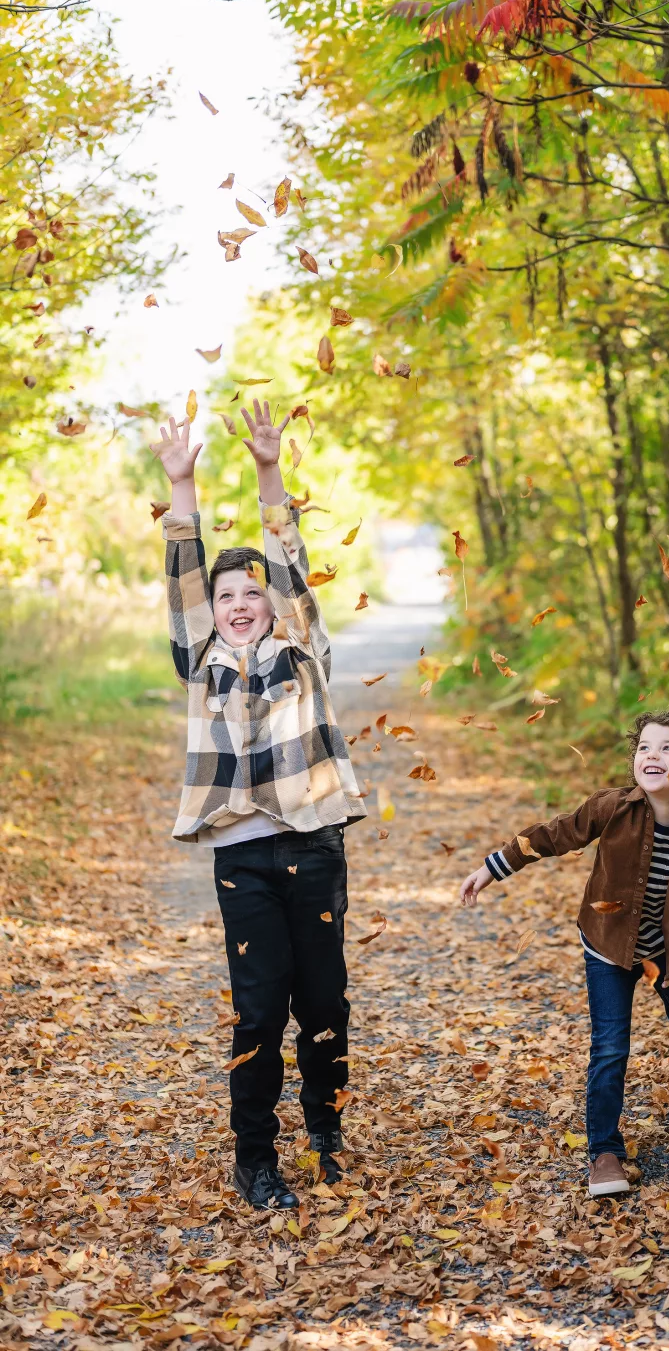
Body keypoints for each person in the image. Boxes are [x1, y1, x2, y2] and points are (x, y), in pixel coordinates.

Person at [152, 400, 366, 1210]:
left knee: (323, 1002)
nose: (240, 602)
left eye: (252, 591)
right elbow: (181, 582)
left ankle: (325, 1129)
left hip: (314, 845)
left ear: (273, 602)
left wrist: (270, 473)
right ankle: (255, 1158)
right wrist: (183, 485)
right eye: (226, 594)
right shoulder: (200, 659)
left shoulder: (303, 651)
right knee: (257, 1012)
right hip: (241, 854)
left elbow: (289, 560)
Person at [460, 707, 669, 1198]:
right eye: (644, 747)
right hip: (607, 946)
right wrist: (493, 868)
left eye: (667, 749)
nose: (651, 756)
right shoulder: (612, 808)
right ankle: (605, 1150)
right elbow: (552, 835)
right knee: (611, 1046)